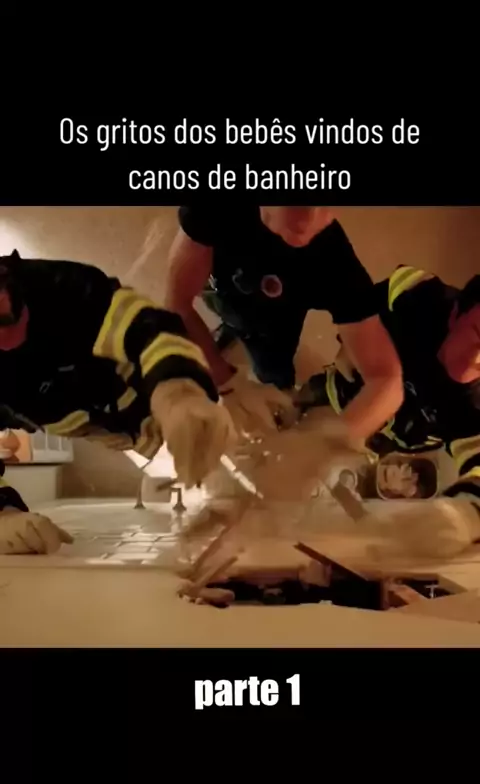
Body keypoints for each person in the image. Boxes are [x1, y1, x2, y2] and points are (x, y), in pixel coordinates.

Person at [0, 250, 236, 555]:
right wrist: (4, 512)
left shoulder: (54, 285)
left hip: (139, 386)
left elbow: (147, 328)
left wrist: (178, 389)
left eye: (6, 319)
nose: (3, 340)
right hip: (94, 423)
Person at [165, 205, 404, 446]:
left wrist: (327, 443)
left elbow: (387, 380)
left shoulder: (332, 262)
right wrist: (226, 383)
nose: (310, 217)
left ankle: (277, 383)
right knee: (227, 316)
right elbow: (178, 306)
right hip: (222, 297)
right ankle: (233, 329)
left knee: (272, 371)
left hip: (274, 335)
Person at [297, 264, 480, 558]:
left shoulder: (476, 406)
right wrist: (350, 344)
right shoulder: (419, 295)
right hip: (337, 394)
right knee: (290, 415)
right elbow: (360, 306)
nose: (477, 358)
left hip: (385, 441)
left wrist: (466, 514)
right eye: (477, 334)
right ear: (456, 312)